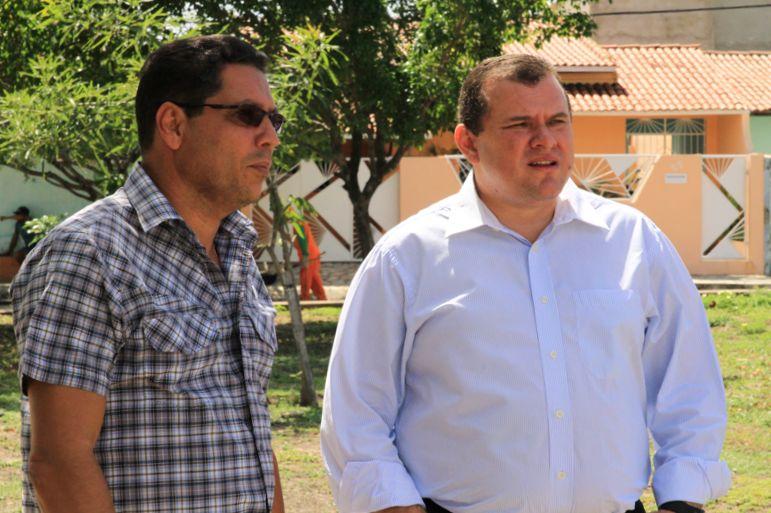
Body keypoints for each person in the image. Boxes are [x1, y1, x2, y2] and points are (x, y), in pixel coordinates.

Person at [320, 54, 730, 513]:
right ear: (469, 143)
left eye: (557, 121)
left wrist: (682, 501)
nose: (545, 140)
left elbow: (690, 385)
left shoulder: (634, 242)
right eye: (520, 124)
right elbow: (356, 413)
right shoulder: (406, 258)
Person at [12, 35, 285, 512]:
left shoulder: (237, 252)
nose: (270, 138)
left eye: (273, 119)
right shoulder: (89, 252)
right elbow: (58, 462)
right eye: (248, 115)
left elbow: (252, 436)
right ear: (173, 124)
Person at [293, 217, 327, 300]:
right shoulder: (301, 223)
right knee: (314, 278)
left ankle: (305, 298)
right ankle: (322, 298)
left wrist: (305, 256)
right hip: (313, 254)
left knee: (306, 278)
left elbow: (302, 240)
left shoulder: (298, 224)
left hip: (309, 256)